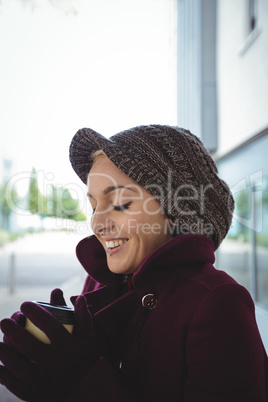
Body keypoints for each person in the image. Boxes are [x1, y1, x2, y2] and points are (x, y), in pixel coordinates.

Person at [0, 124, 267, 402]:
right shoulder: (100, 283)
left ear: (176, 212)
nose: (97, 223)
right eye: (93, 206)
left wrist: (80, 380)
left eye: (121, 204)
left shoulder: (218, 302)